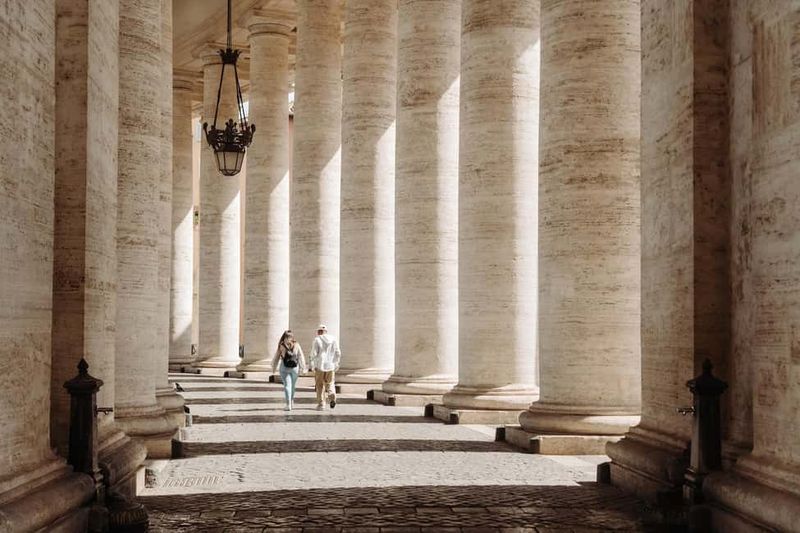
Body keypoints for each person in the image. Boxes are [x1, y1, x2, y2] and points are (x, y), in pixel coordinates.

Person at [271, 330, 306, 411]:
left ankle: (288, 404)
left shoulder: (281, 345)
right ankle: (291, 401)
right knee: (292, 386)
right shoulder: (296, 344)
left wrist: (273, 368)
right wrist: (303, 367)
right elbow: (300, 356)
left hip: (284, 367)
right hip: (295, 368)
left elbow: (276, 357)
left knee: (287, 386)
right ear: (292, 337)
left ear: (284, 337)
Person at [308, 324, 341, 410]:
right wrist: (336, 363)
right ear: (326, 331)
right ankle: (331, 394)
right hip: (331, 365)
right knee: (330, 383)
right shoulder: (333, 339)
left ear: (319, 332)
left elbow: (313, 353)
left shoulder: (317, 339)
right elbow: (338, 352)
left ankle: (321, 404)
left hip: (320, 365)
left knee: (319, 385)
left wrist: (312, 365)